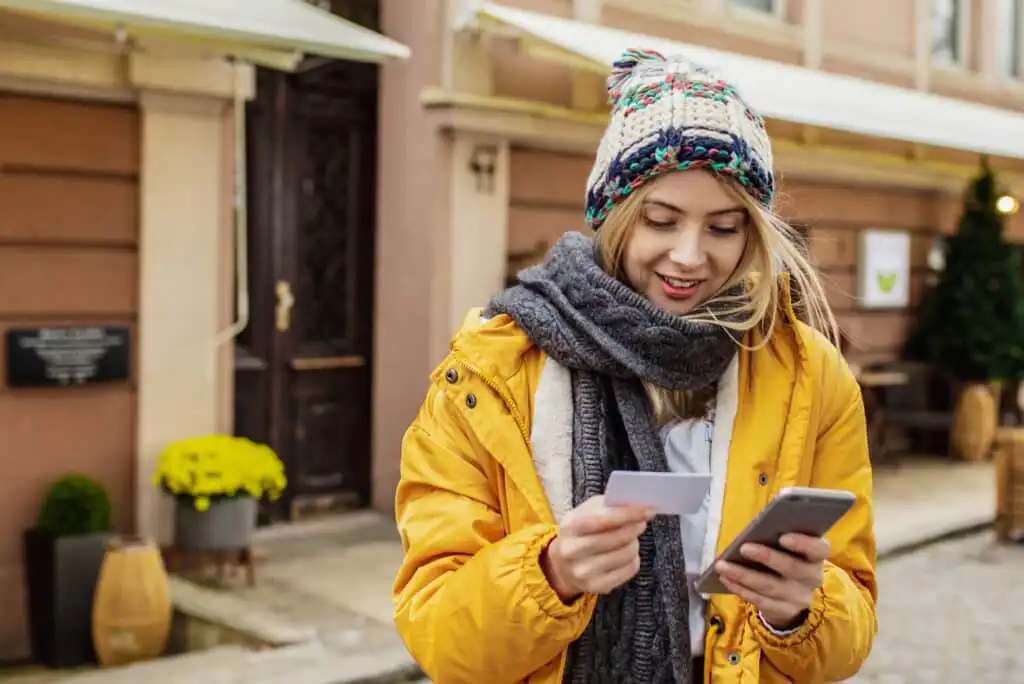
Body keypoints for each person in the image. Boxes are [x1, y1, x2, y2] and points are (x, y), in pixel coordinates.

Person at [391, 48, 877, 684]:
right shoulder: (491, 373)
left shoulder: (810, 376)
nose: (689, 255)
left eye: (724, 228)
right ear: (615, 217)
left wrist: (798, 612)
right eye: (660, 219)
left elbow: (853, 624)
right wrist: (552, 574)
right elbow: (439, 637)